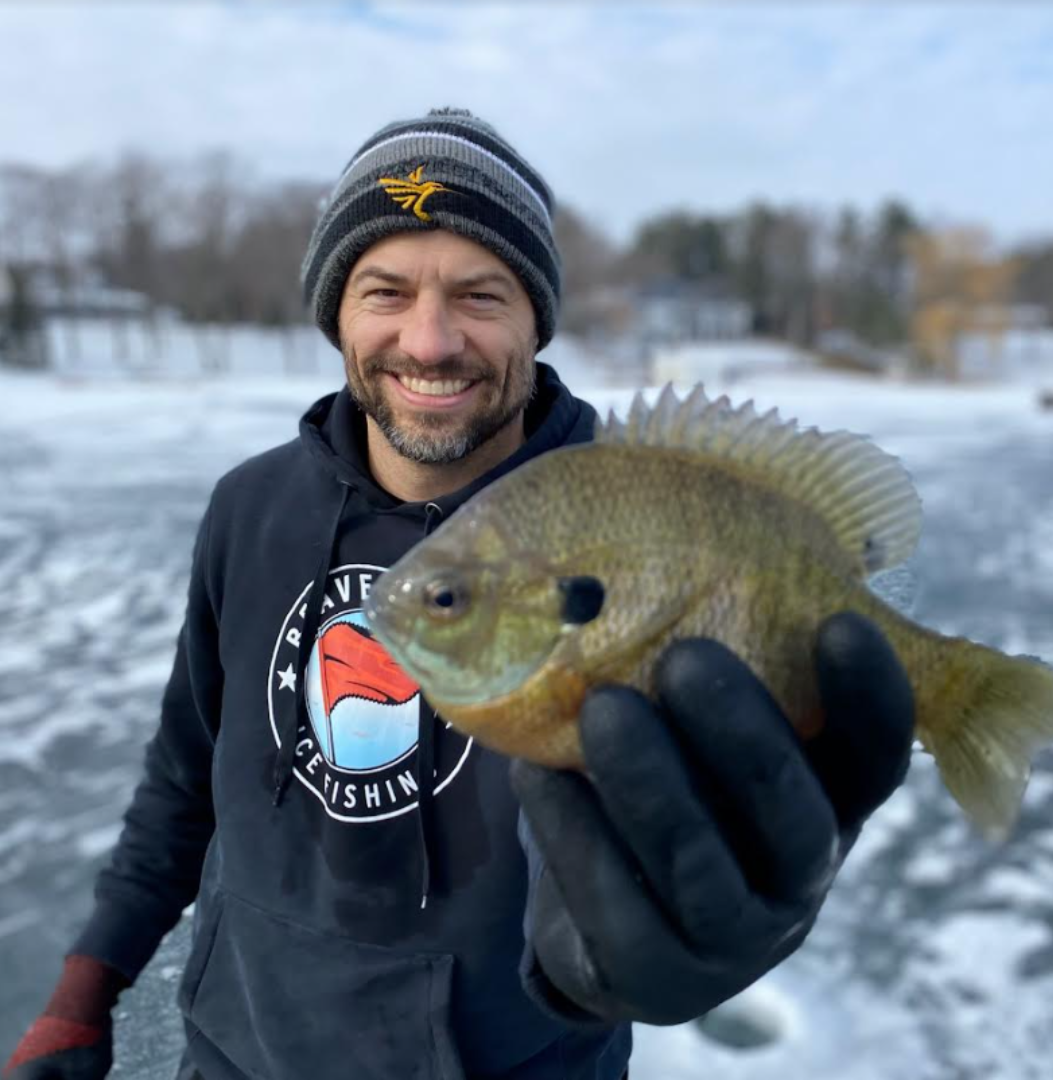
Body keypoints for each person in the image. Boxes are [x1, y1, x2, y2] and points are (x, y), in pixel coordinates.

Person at [3, 108, 915, 1080]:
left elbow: (631, 813)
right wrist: (81, 995)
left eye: (481, 295)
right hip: (233, 1057)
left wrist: (624, 952)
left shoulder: (629, 510)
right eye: (383, 290)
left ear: (536, 319)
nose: (429, 340)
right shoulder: (249, 509)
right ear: (337, 314)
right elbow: (183, 783)